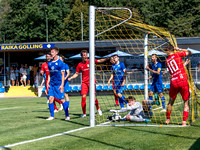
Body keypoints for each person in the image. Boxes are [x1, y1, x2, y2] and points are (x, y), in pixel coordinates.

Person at [68, 50, 109, 117]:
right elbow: (76, 73)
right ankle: (84, 113)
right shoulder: (79, 65)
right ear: (81, 56)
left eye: (86, 55)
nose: (85, 56)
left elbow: (99, 61)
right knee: (83, 97)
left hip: (92, 82)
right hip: (84, 83)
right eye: (84, 55)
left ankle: (98, 109)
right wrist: (71, 78)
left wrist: (106, 59)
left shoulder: (91, 61)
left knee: (94, 97)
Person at [164, 45, 193, 126]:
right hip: (182, 80)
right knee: (186, 102)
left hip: (174, 81)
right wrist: (179, 49)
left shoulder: (167, 61)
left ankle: (167, 119)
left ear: (168, 51)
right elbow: (191, 52)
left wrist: (183, 65)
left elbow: (175, 69)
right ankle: (184, 121)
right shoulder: (177, 54)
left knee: (170, 102)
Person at [47, 47, 69, 120]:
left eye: (52, 52)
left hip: (59, 84)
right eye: (51, 52)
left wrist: (62, 85)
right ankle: (52, 116)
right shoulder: (49, 63)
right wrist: (48, 82)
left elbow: (63, 75)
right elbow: (50, 74)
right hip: (52, 84)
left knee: (62, 100)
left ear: (56, 53)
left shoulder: (60, 63)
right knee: (50, 99)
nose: (51, 53)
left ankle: (67, 115)